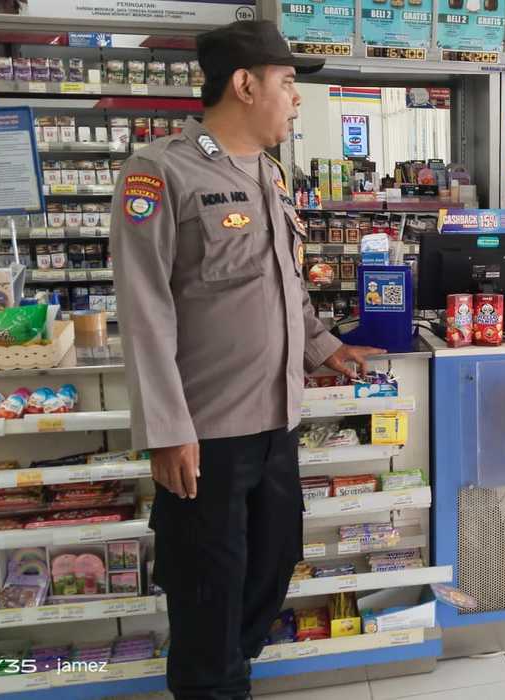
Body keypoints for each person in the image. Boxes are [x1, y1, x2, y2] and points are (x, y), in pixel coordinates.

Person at [110, 20, 383, 699]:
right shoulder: (159, 171)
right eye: (287, 83)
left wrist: (326, 346)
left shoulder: (269, 173)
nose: (296, 99)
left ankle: (229, 674)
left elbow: (285, 287)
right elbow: (144, 311)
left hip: (277, 422)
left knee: (272, 564)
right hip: (207, 434)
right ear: (244, 84)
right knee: (208, 589)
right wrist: (167, 429)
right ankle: (214, 684)